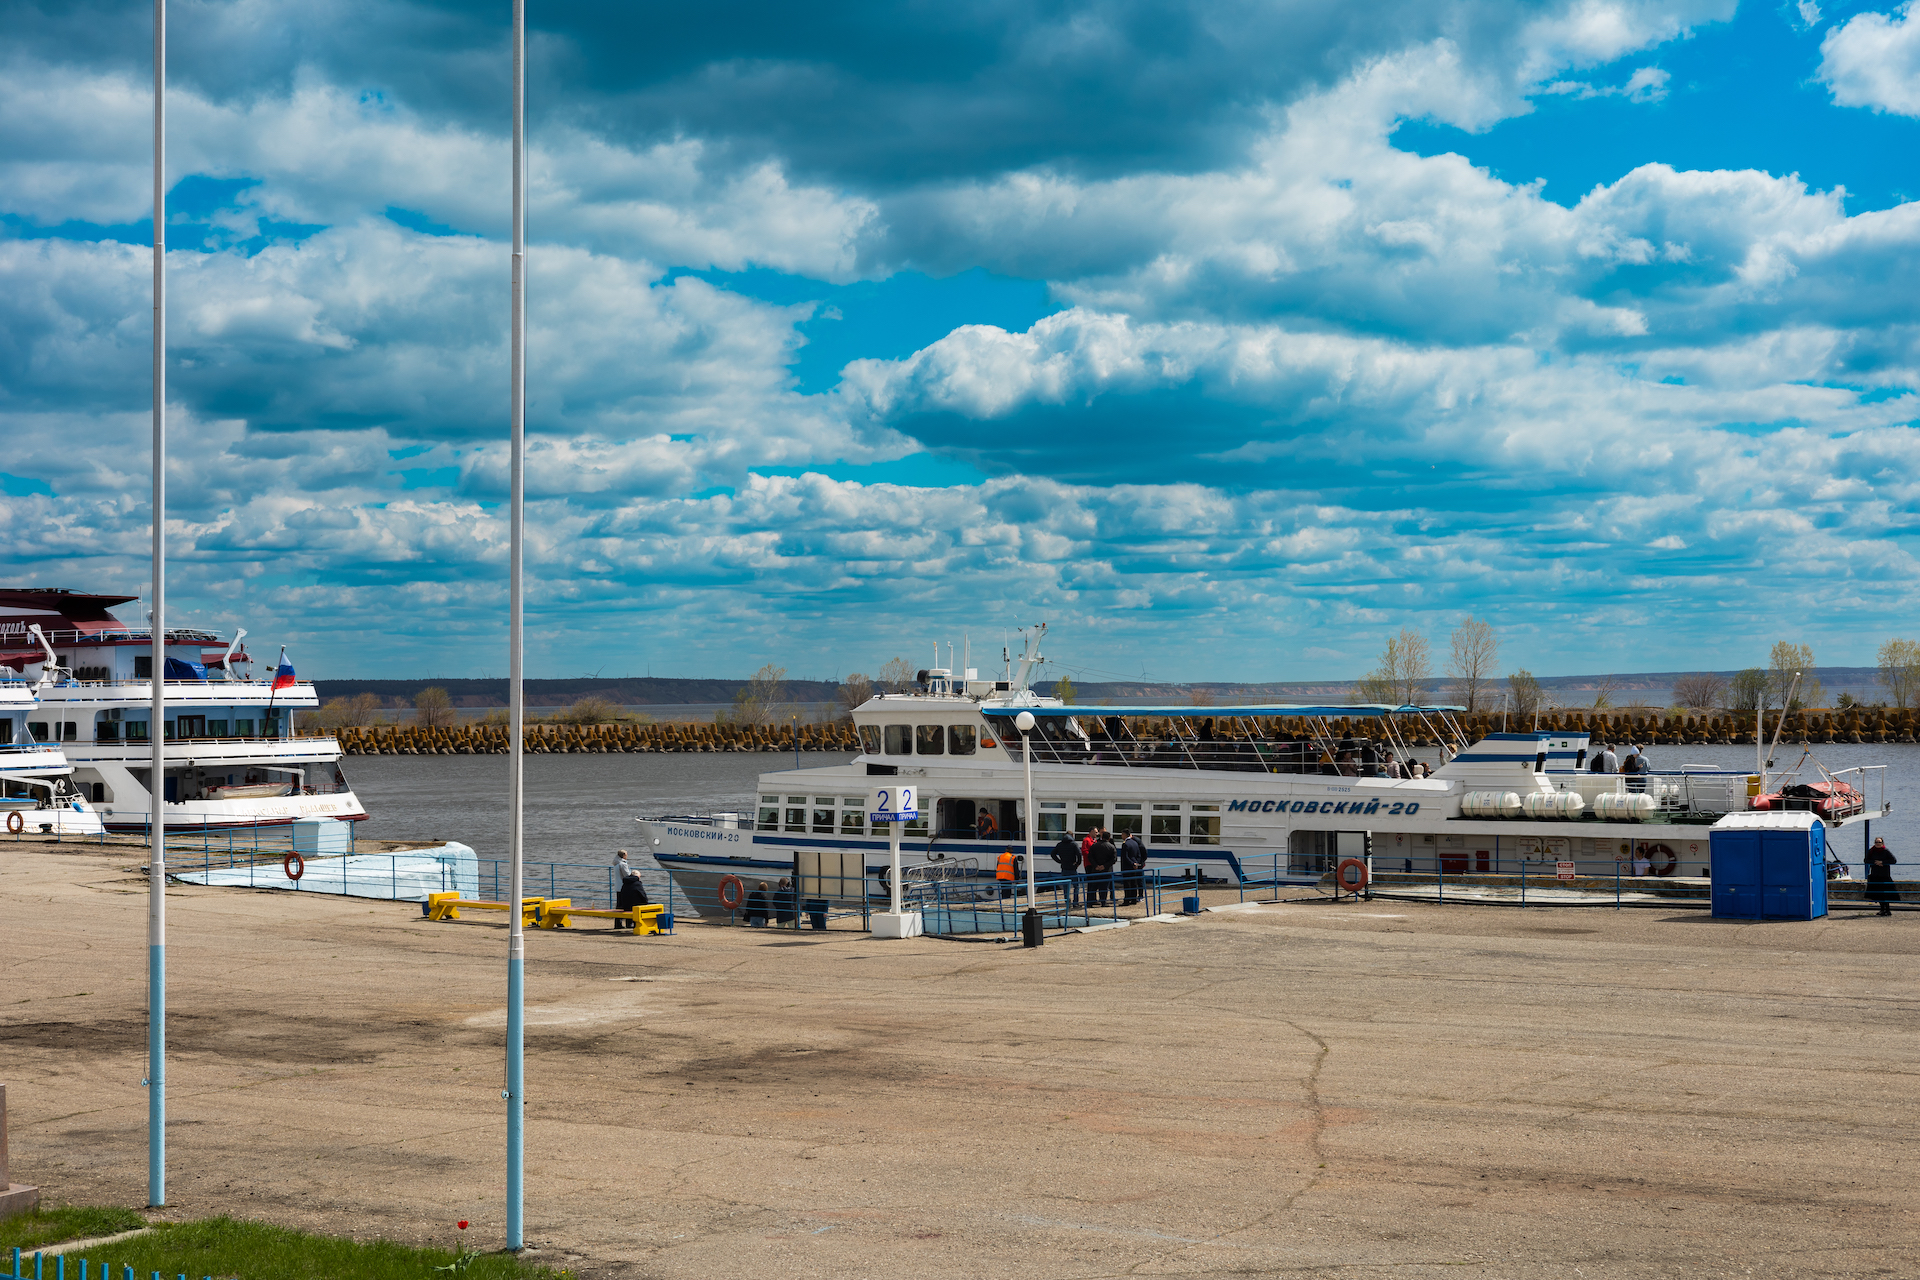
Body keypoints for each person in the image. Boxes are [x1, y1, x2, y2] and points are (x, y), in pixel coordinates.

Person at [613, 849, 648, 929]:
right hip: (624, 887)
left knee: (620, 906)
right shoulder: (623, 864)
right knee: (626, 905)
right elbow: (627, 875)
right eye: (626, 854)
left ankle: (618, 923)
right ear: (624, 855)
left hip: (618, 886)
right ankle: (627, 923)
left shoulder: (616, 863)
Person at [1866, 837, 1899, 916]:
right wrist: (1875, 862)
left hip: (1884, 875)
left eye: (1879, 842)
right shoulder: (1871, 851)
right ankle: (1882, 910)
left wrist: (1882, 862)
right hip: (1875, 875)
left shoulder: (1886, 851)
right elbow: (1866, 860)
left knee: (1885, 894)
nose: (1878, 843)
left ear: (1882, 843)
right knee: (1878, 894)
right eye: (1876, 842)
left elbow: (1893, 860)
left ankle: (1887, 910)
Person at [1086, 830, 1119, 907]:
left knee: (1093, 886)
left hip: (1095, 869)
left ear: (1101, 837)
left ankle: (1090, 902)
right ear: (1109, 838)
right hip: (1106, 870)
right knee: (1104, 887)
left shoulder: (1094, 846)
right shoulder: (1111, 847)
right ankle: (1103, 902)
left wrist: (1096, 865)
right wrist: (1104, 866)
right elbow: (1114, 859)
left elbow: (1090, 857)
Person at [1052, 832, 1083, 909]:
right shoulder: (1074, 844)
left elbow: (1053, 854)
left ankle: (1067, 903)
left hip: (1064, 868)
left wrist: (1059, 861)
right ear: (1072, 836)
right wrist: (1077, 863)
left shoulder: (1060, 844)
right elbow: (1079, 854)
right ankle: (1075, 903)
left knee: (1066, 887)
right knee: (1076, 886)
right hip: (1072, 868)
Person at [1120, 830, 1147, 905]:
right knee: (1134, 883)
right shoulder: (1135, 843)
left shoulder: (1125, 844)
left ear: (1125, 835)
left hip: (1127, 867)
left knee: (1127, 884)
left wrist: (1132, 863)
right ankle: (1134, 899)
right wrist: (1137, 863)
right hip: (1135, 867)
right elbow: (1139, 855)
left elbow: (1125, 857)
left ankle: (1127, 900)